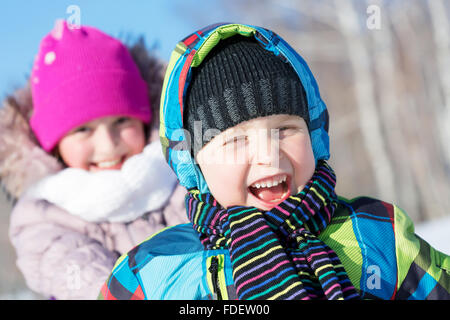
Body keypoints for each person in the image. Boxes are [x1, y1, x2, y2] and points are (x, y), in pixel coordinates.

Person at [99, 23, 450, 300]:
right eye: (236, 140)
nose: (268, 155)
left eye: (284, 129)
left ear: (313, 135)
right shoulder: (157, 269)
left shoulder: (373, 236)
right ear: (194, 165)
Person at [0, 20, 187, 299]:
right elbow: (75, 269)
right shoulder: (44, 216)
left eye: (122, 120)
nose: (108, 144)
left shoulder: (180, 176)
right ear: (54, 145)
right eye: (83, 129)